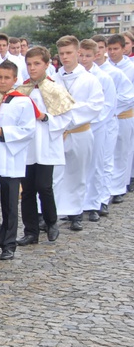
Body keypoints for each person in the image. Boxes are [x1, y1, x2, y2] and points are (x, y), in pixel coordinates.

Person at [16, 46, 74, 244]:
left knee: (44, 186)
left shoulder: (55, 89)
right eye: (29, 64)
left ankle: (51, 221)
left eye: (37, 64)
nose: (32, 68)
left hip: (46, 142)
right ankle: (30, 231)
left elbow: (67, 117)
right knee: (28, 189)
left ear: (47, 65)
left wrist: (45, 117)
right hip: (27, 145)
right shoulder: (22, 89)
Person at [0, 61, 37, 260]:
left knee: (10, 205)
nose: (2, 81)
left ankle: (9, 244)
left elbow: (28, 129)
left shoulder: (23, 101)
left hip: (11, 158)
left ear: (14, 79)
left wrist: (4, 132)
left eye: (6, 78)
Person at [50, 36, 103, 231]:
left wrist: (69, 114)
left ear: (77, 53)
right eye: (62, 53)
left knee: (78, 173)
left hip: (80, 132)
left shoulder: (89, 79)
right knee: (55, 174)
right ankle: (51, 213)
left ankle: (76, 212)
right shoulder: (53, 79)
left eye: (69, 53)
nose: (65, 57)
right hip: (58, 133)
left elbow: (95, 106)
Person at [78, 39, 117, 221]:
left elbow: (108, 105)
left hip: (97, 126)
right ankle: (76, 203)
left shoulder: (103, 77)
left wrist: (91, 119)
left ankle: (94, 203)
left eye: (88, 56)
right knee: (77, 167)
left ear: (96, 56)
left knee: (96, 164)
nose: (84, 59)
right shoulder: (73, 75)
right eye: (82, 55)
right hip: (76, 127)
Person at [93, 35, 134, 207]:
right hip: (103, 118)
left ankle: (118, 187)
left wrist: (112, 105)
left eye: (115, 49)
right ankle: (107, 188)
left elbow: (129, 95)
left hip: (123, 114)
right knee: (105, 156)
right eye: (109, 49)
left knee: (122, 153)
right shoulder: (99, 70)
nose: (112, 52)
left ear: (124, 48)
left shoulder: (129, 68)